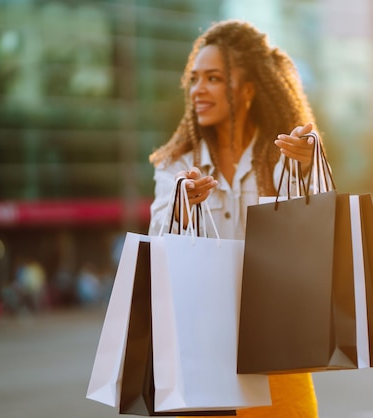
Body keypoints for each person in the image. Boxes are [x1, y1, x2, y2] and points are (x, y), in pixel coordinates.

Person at [148, 19, 321, 418]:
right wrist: (182, 207)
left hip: (273, 347)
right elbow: (159, 248)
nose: (198, 90)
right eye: (194, 80)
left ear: (247, 89)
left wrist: (309, 172)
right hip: (198, 349)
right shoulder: (176, 165)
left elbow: (309, 241)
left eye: (212, 78)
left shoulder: (284, 158)